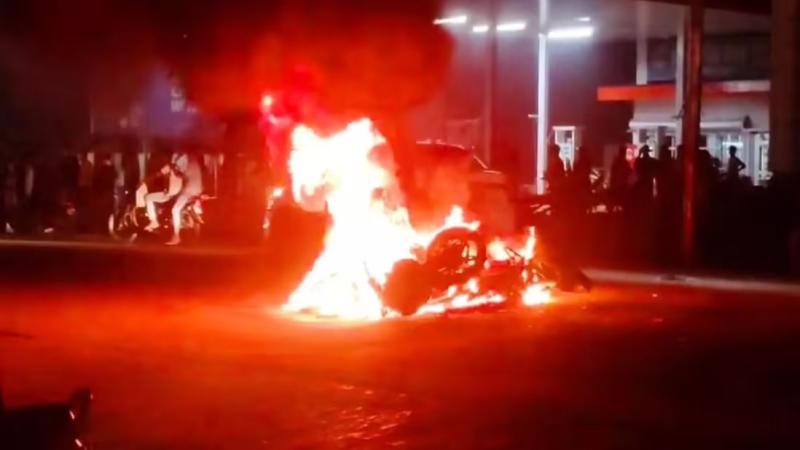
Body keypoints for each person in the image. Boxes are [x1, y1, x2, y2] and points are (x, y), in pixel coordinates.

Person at [144, 151, 203, 245]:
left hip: (188, 191)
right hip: (195, 190)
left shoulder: (182, 161)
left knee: (175, 210)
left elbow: (179, 174)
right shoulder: (193, 160)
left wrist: (173, 169)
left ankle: (176, 236)